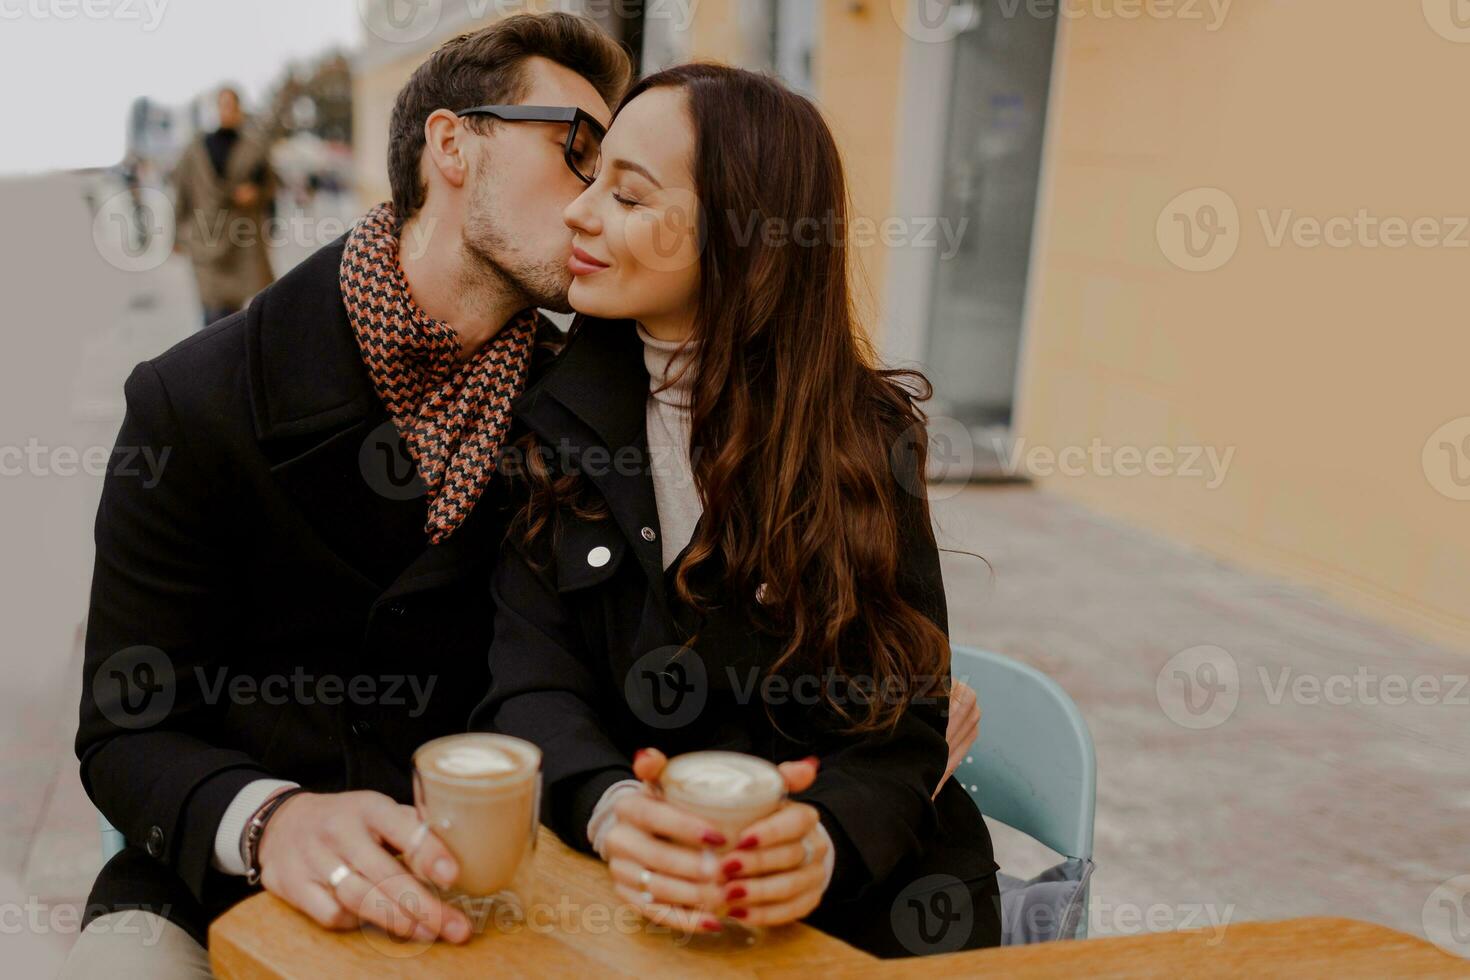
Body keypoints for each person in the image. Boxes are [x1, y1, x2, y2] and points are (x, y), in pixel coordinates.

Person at [65, 14, 633, 978]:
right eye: (579, 148)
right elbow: (127, 726)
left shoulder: (579, 403)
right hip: (221, 884)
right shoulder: (195, 398)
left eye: (621, 172)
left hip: (491, 883)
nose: (599, 201)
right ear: (453, 143)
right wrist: (269, 821)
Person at [472, 63, 1001, 958]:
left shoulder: (864, 439)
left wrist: (824, 842)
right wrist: (613, 808)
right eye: (592, 176)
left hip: (870, 916)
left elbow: (904, 716)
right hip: (639, 913)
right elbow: (529, 686)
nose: (581, 211)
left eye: (629, 196)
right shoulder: (547, 419)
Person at [170, 86, 278, 327]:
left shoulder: (254, 147)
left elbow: (270, 186)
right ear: (216, 109)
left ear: (240, 109)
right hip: (206, 240)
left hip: (244, 240)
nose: (228, 110)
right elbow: (181, 194)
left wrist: (255, 193)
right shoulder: (196, 150)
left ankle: (233, 362)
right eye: (223, 105)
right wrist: (175, 235)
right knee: (214, 318)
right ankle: (215, 362)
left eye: (233, 105)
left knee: (239, 316)